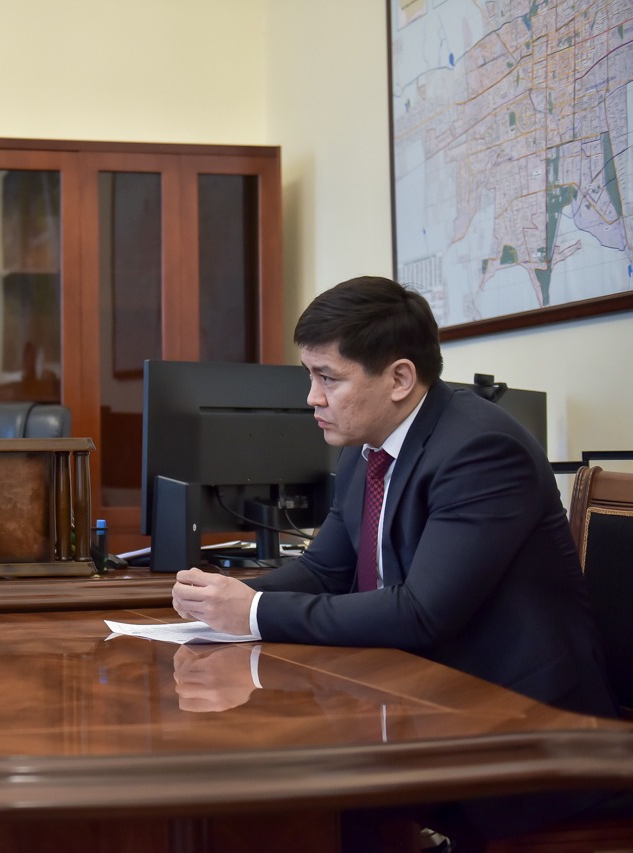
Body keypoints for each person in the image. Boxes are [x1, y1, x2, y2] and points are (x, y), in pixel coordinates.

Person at [171, 275, 617, 841]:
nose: (312, 397)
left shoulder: (482, 449)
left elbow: (422, 613)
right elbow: (325, 570)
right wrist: (224, 601)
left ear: (400, 378)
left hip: (519, 725)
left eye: (328, 377)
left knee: (302, 785)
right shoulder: (367, 449)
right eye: (310, 375)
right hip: (421, 699)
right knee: (290, 771)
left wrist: (254, 613)